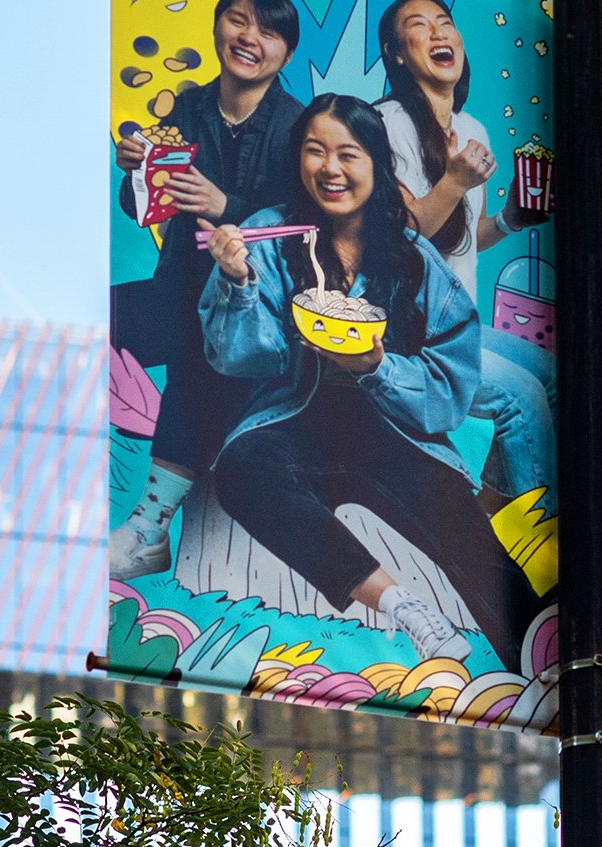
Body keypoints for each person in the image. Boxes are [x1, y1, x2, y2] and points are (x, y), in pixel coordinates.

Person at [199, 94, 545, 674]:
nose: (330, 169)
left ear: (377, 165)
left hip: (391, 428)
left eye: (348, 154)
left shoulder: (410, 255)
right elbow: (241, 358)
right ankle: (404, 607)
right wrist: (235, 282)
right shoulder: (267, 233)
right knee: (241, 470)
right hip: (293, 419)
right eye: (315, 152)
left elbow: (452, 377)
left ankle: (544, 661)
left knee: (463, 529)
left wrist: (379, 369)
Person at [109, 0, 304, 579]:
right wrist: (136, 175)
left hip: (255, 307)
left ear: (286, 54)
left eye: (268, 32)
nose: (249, 38)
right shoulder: (188, 108)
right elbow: (145, 208)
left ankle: (148, 529)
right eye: (238, 22)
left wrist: (227, 206)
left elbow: (301, 231)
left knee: (202, 353)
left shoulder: (297, 128)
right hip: (178, 289)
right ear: (217, 26)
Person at [375, 0, 556, 512]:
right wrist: (454, 180)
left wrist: (510, 219)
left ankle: (498, 518)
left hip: (458, 324)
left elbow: (460, 239)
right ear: (397, 54)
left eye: (445, 22)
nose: (438, 33)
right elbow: (403, 240)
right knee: (521, 400)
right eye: (418, 26)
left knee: (549, 375)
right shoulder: (384, 125)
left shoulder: (471, 127)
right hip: (411, 333)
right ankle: (536, 545)